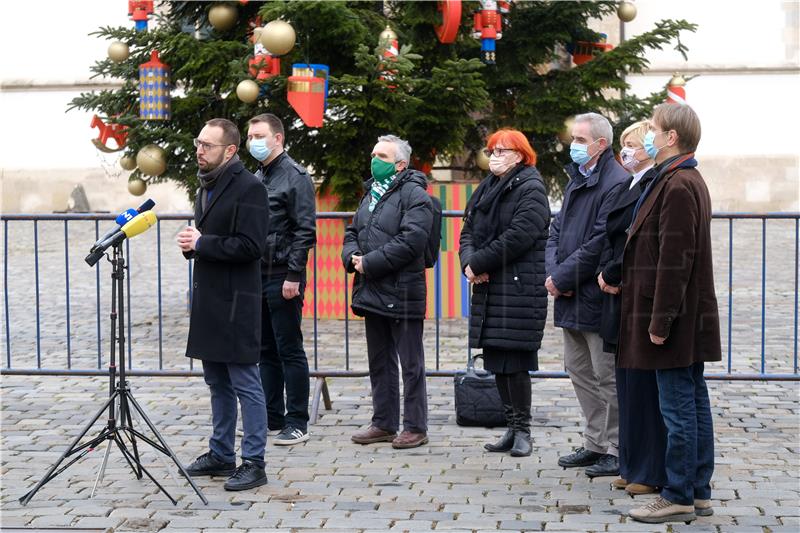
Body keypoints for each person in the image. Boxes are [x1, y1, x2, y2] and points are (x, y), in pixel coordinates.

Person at [623, 104, 721, 524]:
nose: (649, 136)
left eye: (655, 130)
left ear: (671, 138)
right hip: (681, 317)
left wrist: (659, 322)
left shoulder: (679, 184)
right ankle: (696, 490)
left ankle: (679, 492)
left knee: (679, 408)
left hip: (674, 320)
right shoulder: (678, 178)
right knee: (691, 403)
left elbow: (675, 261)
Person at [178, 118, 270, 491]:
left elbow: (251, 246)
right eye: (198, 143)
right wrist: (192, 244)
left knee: (246, 383)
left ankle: (254, 461)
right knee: (216, 381)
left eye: (208, 146)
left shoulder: (249, 188)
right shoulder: (206, 185)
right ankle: (220, 453)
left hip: (237, 302)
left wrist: (202, 244)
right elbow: (209, 238)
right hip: (210, 300)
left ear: (229, 151)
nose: (199, 150)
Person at [545, 112, 628, 477]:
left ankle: (617, 446)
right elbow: (556, 228)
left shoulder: (616, 181)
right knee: (578, 370)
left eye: (581, 140)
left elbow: (599, 241)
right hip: (568, 293)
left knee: (605, 374)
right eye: (573, 139)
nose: (573, 145)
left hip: (594, 292)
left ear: (600, 144)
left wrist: (562, 276)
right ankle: (594, 442)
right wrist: (553, 272)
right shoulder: (577, 176)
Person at [459, 129, 550, 457]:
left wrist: (481, 261)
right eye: (492, 150)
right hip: (490, 286)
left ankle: (524, 430)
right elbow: (468, 228)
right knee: (497, 359)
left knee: (516, 361)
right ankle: (510, 427)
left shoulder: (531, 187)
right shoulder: (489, 186)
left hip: (518, 288)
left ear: (521, 154)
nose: (494, 155)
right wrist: (469, 262)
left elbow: (519, 235)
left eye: (502, 150)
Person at [342, 134, 433, 449]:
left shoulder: (414, 195)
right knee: (379, 361)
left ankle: (415, 426)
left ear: (400, 164)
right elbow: (353, 230)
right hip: (372, 289)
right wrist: (351, 258)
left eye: (381, 156)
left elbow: (412, 241)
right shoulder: (371, 194)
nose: (374, 160)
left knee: (411, 363)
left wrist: (370, 263)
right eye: (373, 154)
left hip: (403, 290)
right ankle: (383, 422)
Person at [596, 120, 666, 496]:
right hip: (616, 292)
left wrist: (613, 271)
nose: (627, 152)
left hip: (631, 288)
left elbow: (636, 239)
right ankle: (631, 461)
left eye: (633, 145)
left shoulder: (654, 184)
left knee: (641, 389)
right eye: (624, 145)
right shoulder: (630, 184)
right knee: (625, 385)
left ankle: (647, 467)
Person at [246, 113, 316, 446]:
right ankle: (272, 415)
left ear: (278, 139)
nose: (252, 142)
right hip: (257, 273)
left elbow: (304, 230)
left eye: (258, 135)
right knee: (265, 350)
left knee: (289, 348)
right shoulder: (258, 176)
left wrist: (294, 275)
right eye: (249, 136)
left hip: (282, 274)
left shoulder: (295, 176)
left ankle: (297, 420)